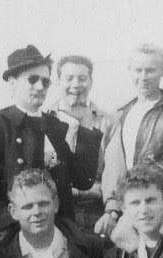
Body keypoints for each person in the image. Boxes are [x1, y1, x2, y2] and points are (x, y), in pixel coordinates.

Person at [0, 45, 103, 236]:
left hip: (60, 233)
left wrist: (86, 127)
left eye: (45, 82)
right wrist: (8, 231)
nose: (40, 87)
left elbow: (83, 180)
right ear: (13, 83)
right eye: (32, 80)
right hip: (14, 233)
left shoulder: (55, 126)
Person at [96, 44, 163, 237]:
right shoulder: (120, 115)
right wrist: (113, 209)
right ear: (130, 70)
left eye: (150, 70)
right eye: (138, 70)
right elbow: (114, 167)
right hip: (132, 210)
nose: (143, 76)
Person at [46, 54, 117, 234]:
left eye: (82, 78)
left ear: (91, 82)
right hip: (55, 212)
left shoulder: (107, 122)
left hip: (96, 212)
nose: (76, 85)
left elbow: (114, 170)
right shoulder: (44, 120)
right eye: (69, 78)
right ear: (58, 81)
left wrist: (111, 211)